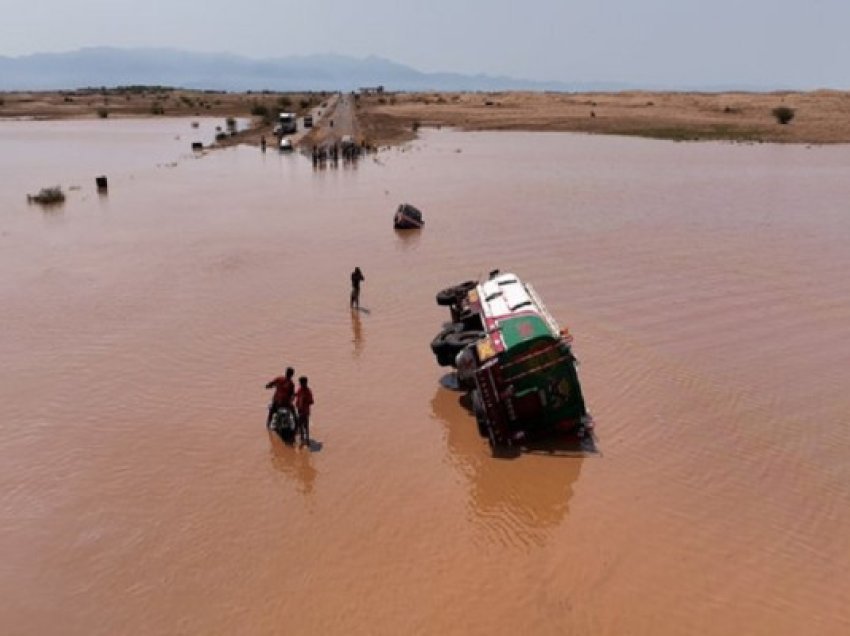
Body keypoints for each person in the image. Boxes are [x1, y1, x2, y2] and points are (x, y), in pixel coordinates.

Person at [294, 376, 314, 446]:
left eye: (301, 383)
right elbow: (296, 394)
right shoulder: (300, 389)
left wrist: (306, 400)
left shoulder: (308, 391)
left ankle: (306, 439)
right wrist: (293, 395)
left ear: (305, 383)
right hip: (300, 409)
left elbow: (312, 402)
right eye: (300, 383)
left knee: (305, 425)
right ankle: (303, 439)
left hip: (305, 411)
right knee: (300, 425)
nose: (300, 384)